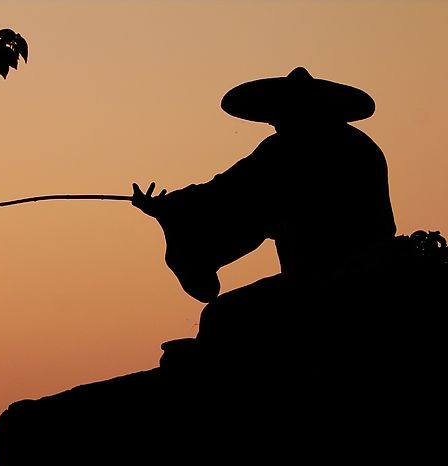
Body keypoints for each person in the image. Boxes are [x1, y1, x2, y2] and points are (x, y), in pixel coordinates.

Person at [132, 67, 396, 362]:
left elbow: (229, 191)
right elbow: (237, 192)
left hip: (329, 282)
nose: (273, 121)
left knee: (221, 316)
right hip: (368, 270)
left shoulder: (290, 148)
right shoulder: (361, 146)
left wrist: (172, 208)